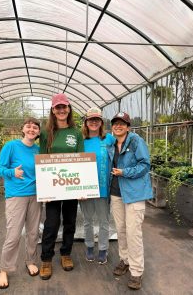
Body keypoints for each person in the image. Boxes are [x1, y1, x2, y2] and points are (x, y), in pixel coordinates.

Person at [39, 93, 84, 280]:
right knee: (51, 223)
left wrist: (82, 188)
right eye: (58, 107)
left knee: (70, 221)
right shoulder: (45, 132)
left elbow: (81, 160)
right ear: (53, 110)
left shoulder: (76, 132)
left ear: (69, 109)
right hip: (52, 187)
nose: (61, 110)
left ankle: (66, 254)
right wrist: (44, 189)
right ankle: (46, 259)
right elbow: (41, 161)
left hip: (71, 185)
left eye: (64, 107)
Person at [0, 117, 42, 289]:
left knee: (33, 232)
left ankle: (30, 260)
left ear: (38, 132)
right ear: (22, 129)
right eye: (28, 126)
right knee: (14, 234)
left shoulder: (38, 150)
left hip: (36, 195)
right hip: (16, 195)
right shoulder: (11, 146)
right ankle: (4, 269)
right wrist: (11, 172)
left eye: (35, 127)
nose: (31, 129)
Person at [109, 112, 153, 290]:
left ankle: (136, 271)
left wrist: (124, 172)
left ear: (128, 127)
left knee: (133, 232)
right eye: (115, 123)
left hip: (134, 193)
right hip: (116, 192)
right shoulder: (112, 144)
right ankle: (125, 260)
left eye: (122, 123)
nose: (118, 126)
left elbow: (145, 165)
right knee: (121, 229)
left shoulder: (135, 141)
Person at [80, 107, 115, 264]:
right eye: (90, 120)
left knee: (103, 221)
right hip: (84, 189)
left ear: (101, 122)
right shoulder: (80, 141)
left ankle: (102, 249)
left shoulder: (108, 139)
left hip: (102, 187)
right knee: (87, 220)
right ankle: (89, 246)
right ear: (86, 123)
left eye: (97, 120)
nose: (93, 122)